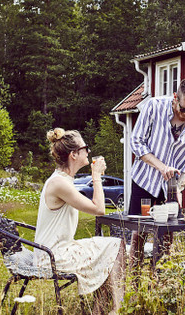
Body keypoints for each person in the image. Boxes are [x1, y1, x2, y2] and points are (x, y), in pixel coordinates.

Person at [34, 128, 124, 314]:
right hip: (51, 257)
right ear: (74, 154)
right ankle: (114, 309)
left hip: (56, 250)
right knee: (115, 247)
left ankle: (103, 310)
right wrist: (96, 175)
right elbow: (99, 209)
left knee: (113, 248)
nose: (88, 152)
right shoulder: (59, 183)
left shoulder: (64, 180)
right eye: (86, 148)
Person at [128, 78, 185, 267]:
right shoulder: (154, 106)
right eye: (184, 109)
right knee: (139, 234)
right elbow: (136, 142)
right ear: (175, 98)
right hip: (145, 179)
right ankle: (134, 284)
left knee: (166, 236)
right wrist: (161, 167)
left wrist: (179, 187)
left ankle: (161, 283)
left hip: (172, 186)